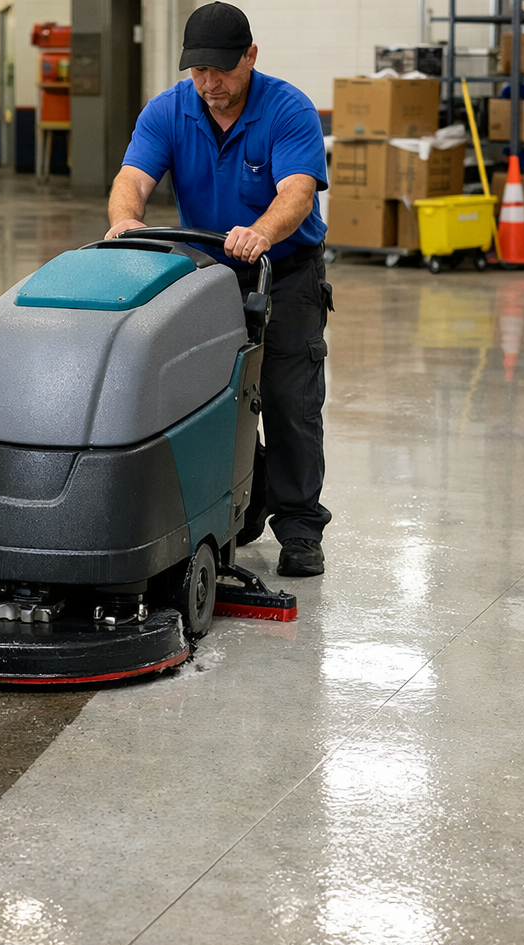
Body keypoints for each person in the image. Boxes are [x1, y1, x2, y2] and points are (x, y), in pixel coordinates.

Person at [105, 2, 333, 577]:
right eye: (198, 72)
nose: (210, 85)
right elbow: (131, 179)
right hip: (207, 281)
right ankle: (243, 502)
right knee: (209, 398)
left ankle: (300, 528)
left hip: (285, 274)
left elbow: (299, 192)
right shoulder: (168, 111)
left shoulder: (288, 108)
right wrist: (126, 219)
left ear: (250, 57)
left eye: (222, 72)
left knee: (287, 402)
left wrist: (261, 232)